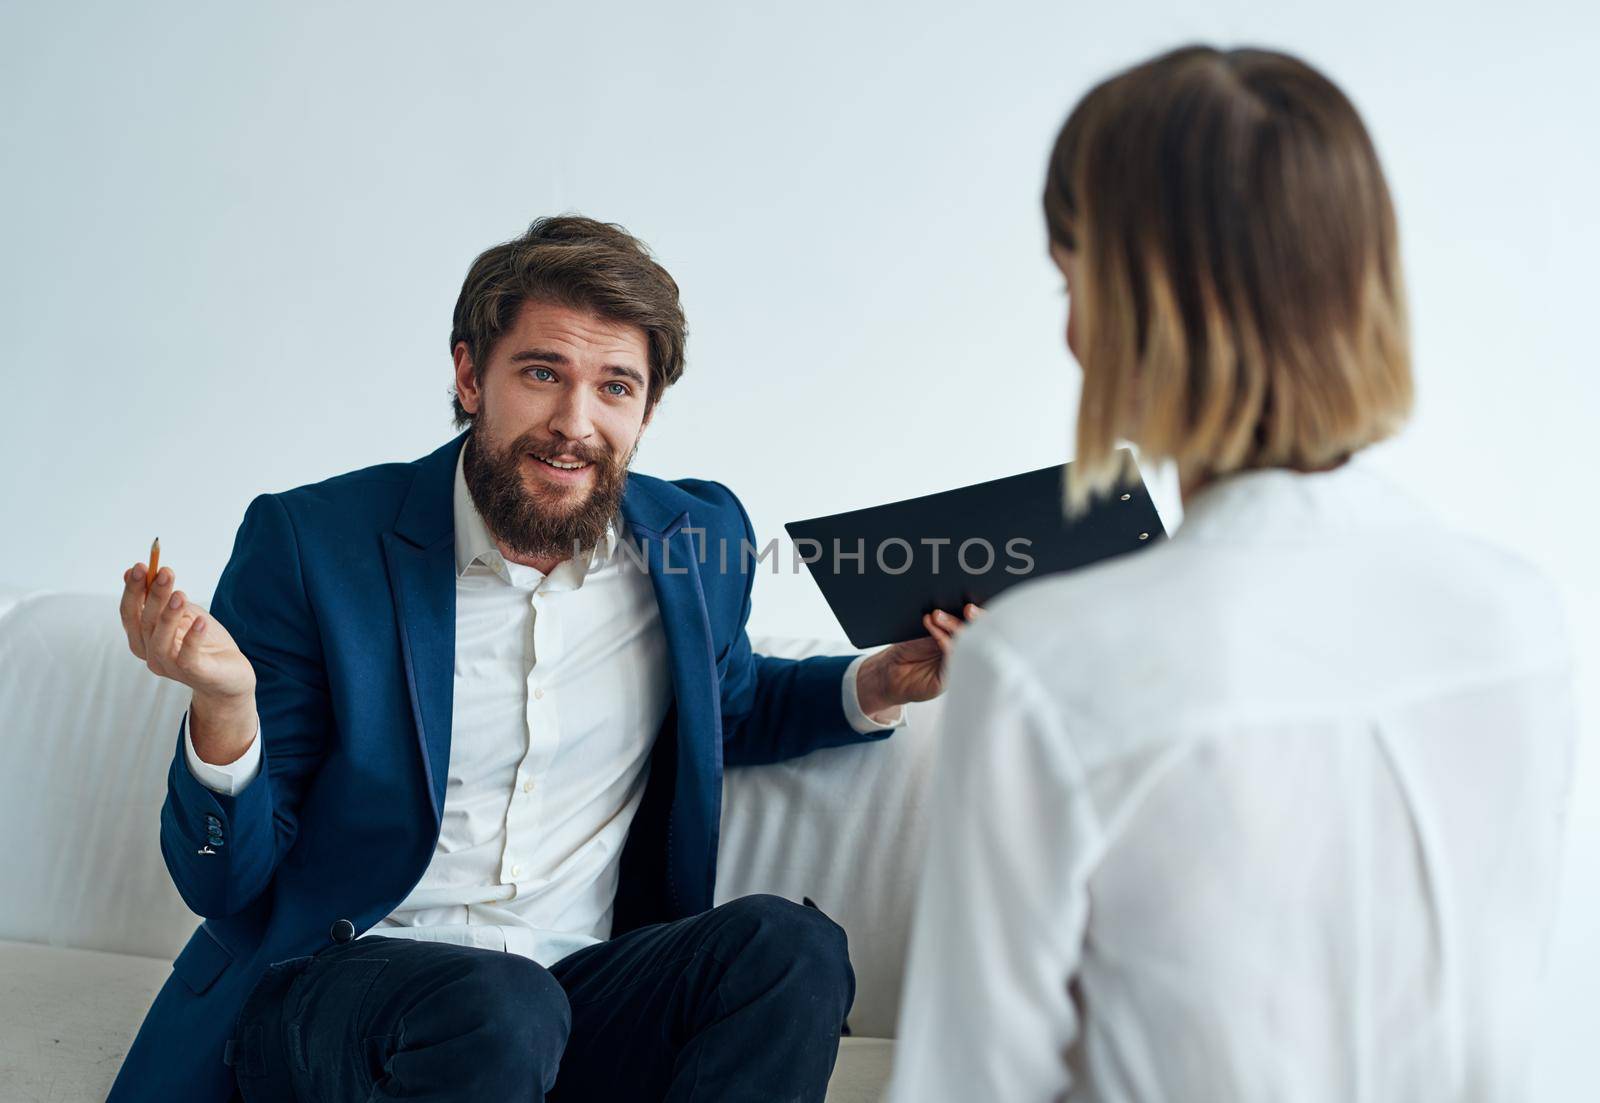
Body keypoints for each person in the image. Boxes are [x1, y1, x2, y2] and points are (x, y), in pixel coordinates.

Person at [109, 215, 979, 1102]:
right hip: (340, 991)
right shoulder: (314, 545)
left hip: (570, 995)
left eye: (615, 387)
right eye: (541, 373)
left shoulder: (693, 537)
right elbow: (223, 883)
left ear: (646, 410)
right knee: (499, 1005)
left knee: (791, 951)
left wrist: (877, 682)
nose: (576, 423)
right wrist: (225, 711)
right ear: (468, 375)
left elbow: (727, 704)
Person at [886, 45, 1576, 1103]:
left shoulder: (1040, 663)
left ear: (1132, 306)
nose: (1069, 330)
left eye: (1071, 283)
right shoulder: (1518, 614)